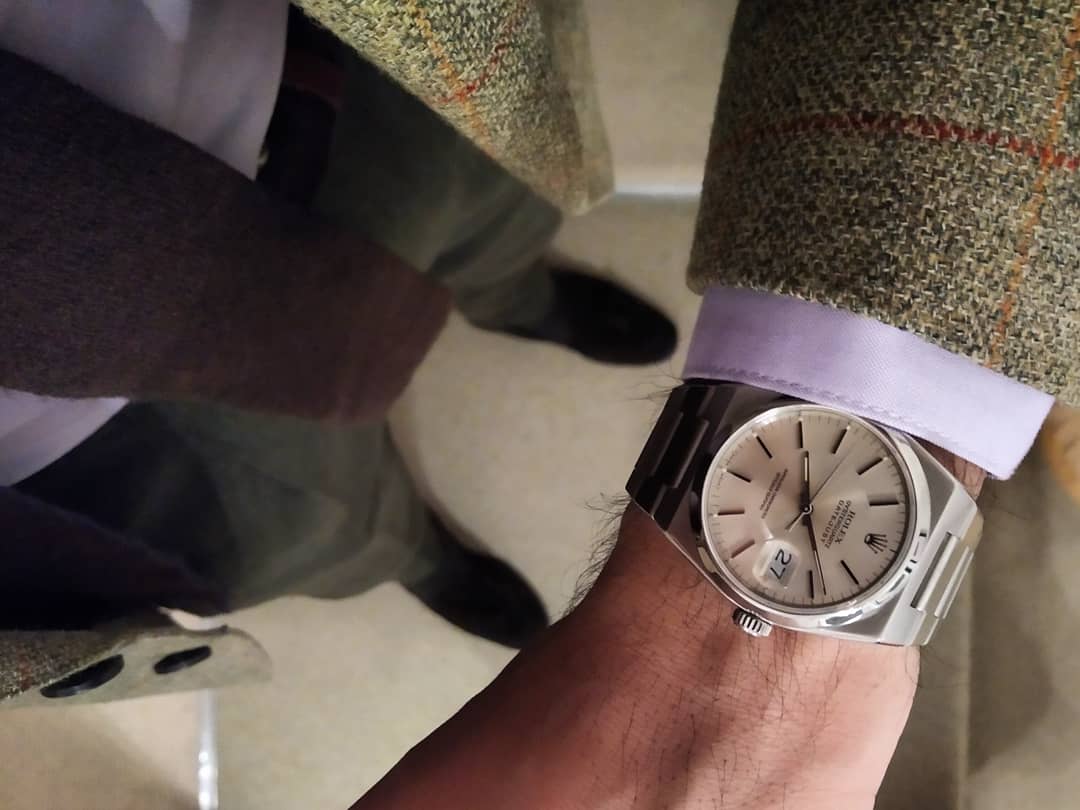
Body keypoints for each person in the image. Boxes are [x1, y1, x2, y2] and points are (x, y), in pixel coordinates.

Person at [0, 1, 1073, 807]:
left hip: (339, 48)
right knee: (328, 533)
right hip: (69, 472)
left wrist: (750, 660)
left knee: (501, 207)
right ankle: (415, 554)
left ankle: (523, 294)